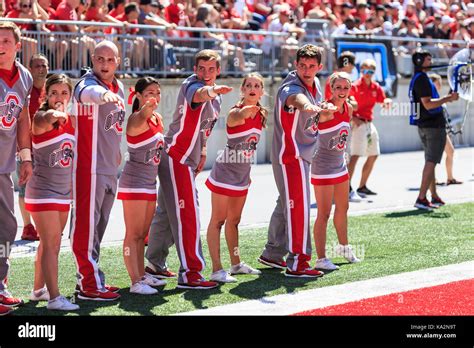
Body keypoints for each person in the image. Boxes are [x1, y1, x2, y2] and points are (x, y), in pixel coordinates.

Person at [145, 50, 232, 289]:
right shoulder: (192, 86)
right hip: (176, 157)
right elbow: (200, 94)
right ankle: (191, 273)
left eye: (211, 69)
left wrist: (202, 150)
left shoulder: (216, 96)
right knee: (188, 214)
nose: (206, 73)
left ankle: (154, 264)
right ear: (195, 69)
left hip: (186, 158)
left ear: (218, 70)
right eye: (202, 68)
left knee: (166, 213)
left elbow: (205, 126)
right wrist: (213, 89)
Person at [258, 44, 335, 278]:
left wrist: (322, 106)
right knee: (299, 207)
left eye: (312, 66)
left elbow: (314, 106)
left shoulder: (316, 83)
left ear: (319, 67)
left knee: (287, 203)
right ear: (296, 65)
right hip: (290, 155)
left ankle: (272, 252)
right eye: (302, 65)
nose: (307, 70)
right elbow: (295, 99)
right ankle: (298, 261)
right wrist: (309, 106)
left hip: (303, 153)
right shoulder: (291, 86)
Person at [70, 40, 125, 301]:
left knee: (99, 228)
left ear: (118, 61)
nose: (105, 64)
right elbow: (86, 94)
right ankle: (88, 284)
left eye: (110, 59)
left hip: (108, 167)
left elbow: (115, 128)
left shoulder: (120, 87)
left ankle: (94, 278)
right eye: (100, 59)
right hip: (88, 167)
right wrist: (103, 95)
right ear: (93, 60)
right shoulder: (87, 82)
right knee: (85, 227)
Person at [205, 73, 266, 283]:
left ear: (261, 92)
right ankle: (216, 269)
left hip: (242, 175)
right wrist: (244, 112)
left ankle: (236, 263)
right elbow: (233, 119)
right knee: (218, 221)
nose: (252, 88)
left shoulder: (261, 115)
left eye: (257, 85)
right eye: (248, 85)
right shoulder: (235, 112)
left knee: (235, 221)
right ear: (242, 90)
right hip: (224, 174)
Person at [25, 74, 79, 311]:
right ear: (46, 95)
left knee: (49, 245)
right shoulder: (40, 117)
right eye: (54, 93)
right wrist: (59, 113)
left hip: (63, 192)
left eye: (64, 93)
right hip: (42, 191)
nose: (59, 97)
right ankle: (55, 298)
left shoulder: (72, 120)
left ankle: (38, 290)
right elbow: (50, 116)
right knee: (51, 244)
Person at [117, 77, 167, 295]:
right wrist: (147, 105)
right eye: (149, 93)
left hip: (149, 183)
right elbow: (144, 112)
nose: (154, 96)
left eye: (157, 92)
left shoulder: (158, 118)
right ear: (137, 96)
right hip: (134, 183)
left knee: (142, 235)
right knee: (133, 234)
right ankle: (135, 280)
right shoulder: (136, 119)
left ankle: (142, 275)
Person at [311, 72, 360, 271]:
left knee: (343, 208)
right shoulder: (326, 109)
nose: (342, 92)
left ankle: (344, 247)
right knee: (323, 214)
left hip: (340, 165)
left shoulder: (348, 108)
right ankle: (321, 258)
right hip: (322, 167)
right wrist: (325, 108)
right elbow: (320, 113)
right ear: (331, 88)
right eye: (338, 88)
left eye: (345, 88)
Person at [0, 22, 33, 316]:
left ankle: (1, 281)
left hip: (5, 163)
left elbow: (22, 119)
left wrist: (26, 156)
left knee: (8, 226)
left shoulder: (24, 77)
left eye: (6, 40)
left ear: (17, 46)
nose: (0, 45)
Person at [410, 50, 458, 211]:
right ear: (420, 61)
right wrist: (448, 98)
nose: (431, 62)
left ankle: (433, 196)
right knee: (431, 162)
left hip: (424, 125)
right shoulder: (422, 78)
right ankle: (421, 198)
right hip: (433, 126)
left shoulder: (418, 77)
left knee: (429, 161)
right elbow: (428, 104)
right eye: (428, 59)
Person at [347, 59, 391, 199]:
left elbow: (382, 100)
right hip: (358, 124)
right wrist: (354, 118)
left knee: (374, 154)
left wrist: (386, 102)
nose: (368, 73)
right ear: (361, 71)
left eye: (371, 71)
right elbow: (346, 105)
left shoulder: (375, 87)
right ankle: (346, 188)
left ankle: (362, 187)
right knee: (355, 156)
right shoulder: (354, 86)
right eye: (365, 70)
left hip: (369, 124)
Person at [18, 54, 49, 242]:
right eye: (37, 66)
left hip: (45, 148)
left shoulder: (51, 91)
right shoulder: (25, 90)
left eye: (44, 65)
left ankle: (43, 225)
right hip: (26, 148)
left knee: (43, 188)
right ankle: (27, 227)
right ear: (30, 69)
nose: (41, 69)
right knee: (24, 187)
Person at [429, 74, 463, 186]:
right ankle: (433, 179)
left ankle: (450, 177)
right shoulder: (430, 97)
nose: (439, 85)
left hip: (442, 129)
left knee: (450, 152)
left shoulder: (437, 96)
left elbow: (445, 100)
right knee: (435, 156)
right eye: (437, 82)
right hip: (435, 129)